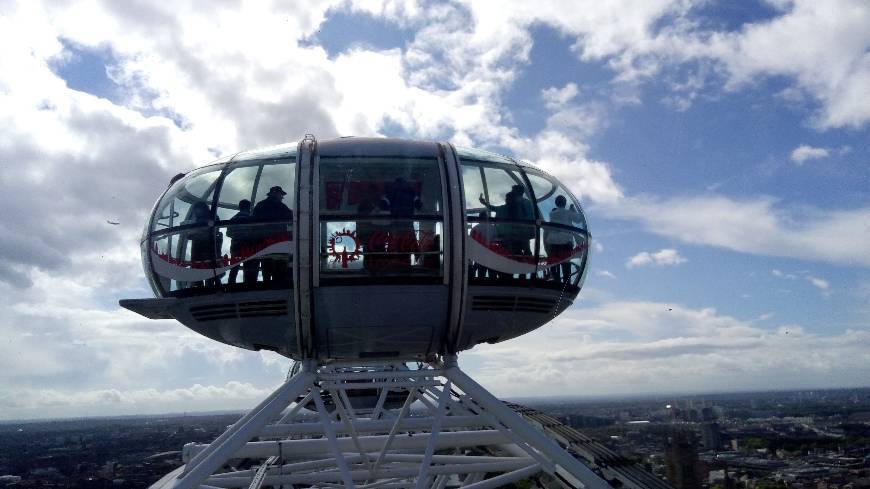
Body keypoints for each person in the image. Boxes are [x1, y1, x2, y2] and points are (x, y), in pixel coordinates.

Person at [479, 185, 535, 277]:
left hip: (517, 235)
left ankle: (514, 275)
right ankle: (523, 275)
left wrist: (485, 203)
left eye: (513, 191)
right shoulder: (522, 203)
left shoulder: (517, 204)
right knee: (521, 254)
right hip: (520, 235)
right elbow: (530, 217)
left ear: (517, 192)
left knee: (516, 255)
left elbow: (496, 209)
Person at [253, 186, 293, 286]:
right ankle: (278, 287)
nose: (282, 197)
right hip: (278, 243)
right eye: (281, 195)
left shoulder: (260, 205)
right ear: (276, 193)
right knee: (279, 271)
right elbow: (291, 219)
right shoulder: (282, 207)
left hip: (264, 243)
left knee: (266, 269)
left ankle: (266, 287)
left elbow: (254, 223)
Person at [545, 195, 583, 284]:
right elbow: (578, 220)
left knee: (554, 262)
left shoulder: (552, 213)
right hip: (565, 242)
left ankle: (556, 280)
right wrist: (573, 210)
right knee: (565, 263)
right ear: (565, 203)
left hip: (553, 242)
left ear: (556, 203)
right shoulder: (568, 213)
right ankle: (566, 283)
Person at [227, 199, 256, 285]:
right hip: (247, 245)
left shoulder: (233, 218)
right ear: (249, 207)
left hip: (235, 245)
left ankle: (231, 285)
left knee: (234, 267)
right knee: (248, 266)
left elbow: (228, 233)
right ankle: (248, 285)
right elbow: (253, 232)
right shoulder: (251, 218)